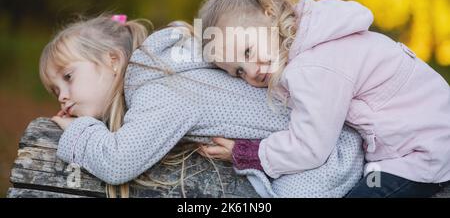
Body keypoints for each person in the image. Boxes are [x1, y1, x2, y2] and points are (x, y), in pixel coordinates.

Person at [39, 13, 364, 198]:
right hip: (322, 138)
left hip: (324, 157)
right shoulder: (168, 61)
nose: (63, 97)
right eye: (56, 90)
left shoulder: (157, 86)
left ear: (112, 60)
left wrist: (77, 129)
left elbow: (118, 162)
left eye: (68, 77)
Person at [197, 0, 450, 197]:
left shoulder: (313, 67)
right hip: (429, 130)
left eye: (248, 51)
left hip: (422, 151)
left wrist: (250, 154)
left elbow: (310, 148)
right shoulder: (316, 28)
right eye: (238, 71)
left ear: (270, 14)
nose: (250, 72)